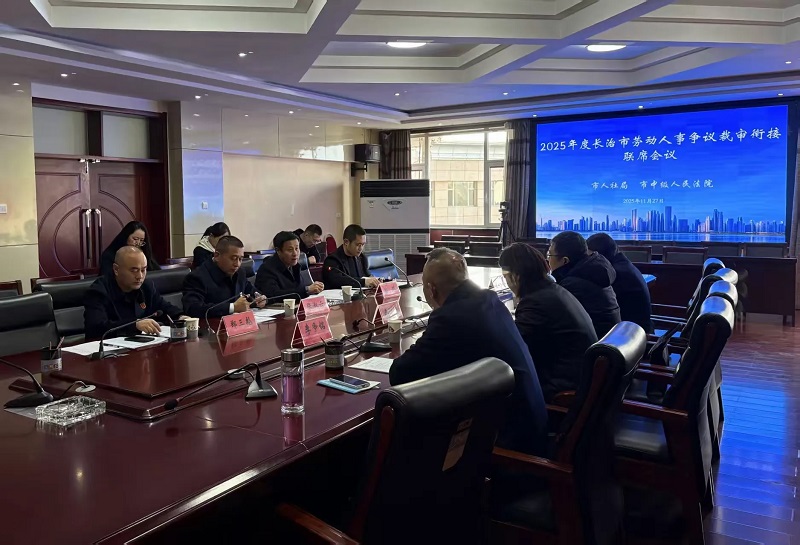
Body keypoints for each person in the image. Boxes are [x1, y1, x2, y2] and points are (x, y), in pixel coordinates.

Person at [389, 248, 547, 456]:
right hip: (532, 429)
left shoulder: (450, 318)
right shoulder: (491, 301)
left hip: (507, 446)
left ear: (431, 290)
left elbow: (400, 373)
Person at [499, 243, 598, 401]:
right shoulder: (554, 291)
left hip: (561, 387)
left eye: (505, 278)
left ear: (515, 276)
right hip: (579, 377)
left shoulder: (535, 302)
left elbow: (514, 349)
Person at [84, 246, 184, 340]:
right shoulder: (98, 291)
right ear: (116, 269)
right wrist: (135, 325)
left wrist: (181, 317)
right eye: (134, 270)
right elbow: (96, 328)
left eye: (143, 270)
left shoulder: (146, 286)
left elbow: (164, 308)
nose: (140, 276)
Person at [548, 231, 621, 338]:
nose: (548, 259)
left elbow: (552, 317)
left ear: (565, 261)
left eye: (549, 255)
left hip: (596, 343)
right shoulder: (592, 271)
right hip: (610, 339)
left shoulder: (572, 284)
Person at [182, 235, 266, 318]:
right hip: (211, 325)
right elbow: (193, 308)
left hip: (239, 323)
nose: (237, 264)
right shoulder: (197, 277)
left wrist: (260, 299)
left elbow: (251, 291)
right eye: (233, 258)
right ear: (217, 256)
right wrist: (232, 307)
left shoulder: (240, 272)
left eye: (240, 259)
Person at [587, 233, 654, 333]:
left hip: (633, 335)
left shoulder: (614, 273)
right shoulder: (623, 264)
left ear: (598, 254)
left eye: (589, 255)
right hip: (637, 328)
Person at [255, 231, 325, 301]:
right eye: (290, 250)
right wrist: (307, 290)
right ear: (278, 251)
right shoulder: (267, 269)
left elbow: (298, 289)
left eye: (297, 248)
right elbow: (273, 296)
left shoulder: (294, 266)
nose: (295, 253)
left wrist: (312, 288)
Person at [322, 224, 380, 290]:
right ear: (346, 242)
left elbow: (367, 275)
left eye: (363, 244)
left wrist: (374, 280)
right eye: (358, 244)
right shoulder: (332, 260)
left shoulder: (362, 258)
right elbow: (338, 281)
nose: (361, 248)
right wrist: (364, 282)